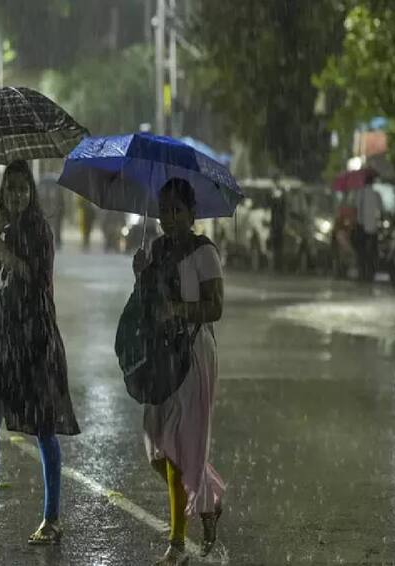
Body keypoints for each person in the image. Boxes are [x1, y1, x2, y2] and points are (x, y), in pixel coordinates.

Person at [0, 160, 80, 546]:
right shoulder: (2, 230)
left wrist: (6, 254)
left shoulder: (39, 231)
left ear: (32, 193)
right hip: (4, 346)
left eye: (23, 189)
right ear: (3, 193)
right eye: (11, 189)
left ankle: (52, 519)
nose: (17, 195)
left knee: (44, 429)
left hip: (35, 342)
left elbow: (39, 280)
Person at [132, 178, 225, 565]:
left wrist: (181, 311)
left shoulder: (202, 252)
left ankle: (176, 545)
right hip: (161, 356)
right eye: (163, 209)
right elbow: (147, 305)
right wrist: (140, 274)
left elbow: (215, 307)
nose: (168, 217)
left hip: (193, 355)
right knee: (156, 446)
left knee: (178, 447)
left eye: (176, 210)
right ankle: (209, 497)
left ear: (191, 214)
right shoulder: (154, 250)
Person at [354, 177, 383, 282]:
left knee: (361, 252)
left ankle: (362, 273)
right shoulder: (376, 194)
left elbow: (356, 208)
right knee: (372, 252)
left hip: (361, 226)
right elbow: (380, 209)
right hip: (373, 227)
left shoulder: (359, 194)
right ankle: (370, 273)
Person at [36, 174, 65, 249]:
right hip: (53, 210)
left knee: (49, 227)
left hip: (48, 210)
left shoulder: (42, 186)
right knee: (55, 227)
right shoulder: (57, 187)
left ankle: (52, 241)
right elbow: (61, 201)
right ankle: (56, 241)